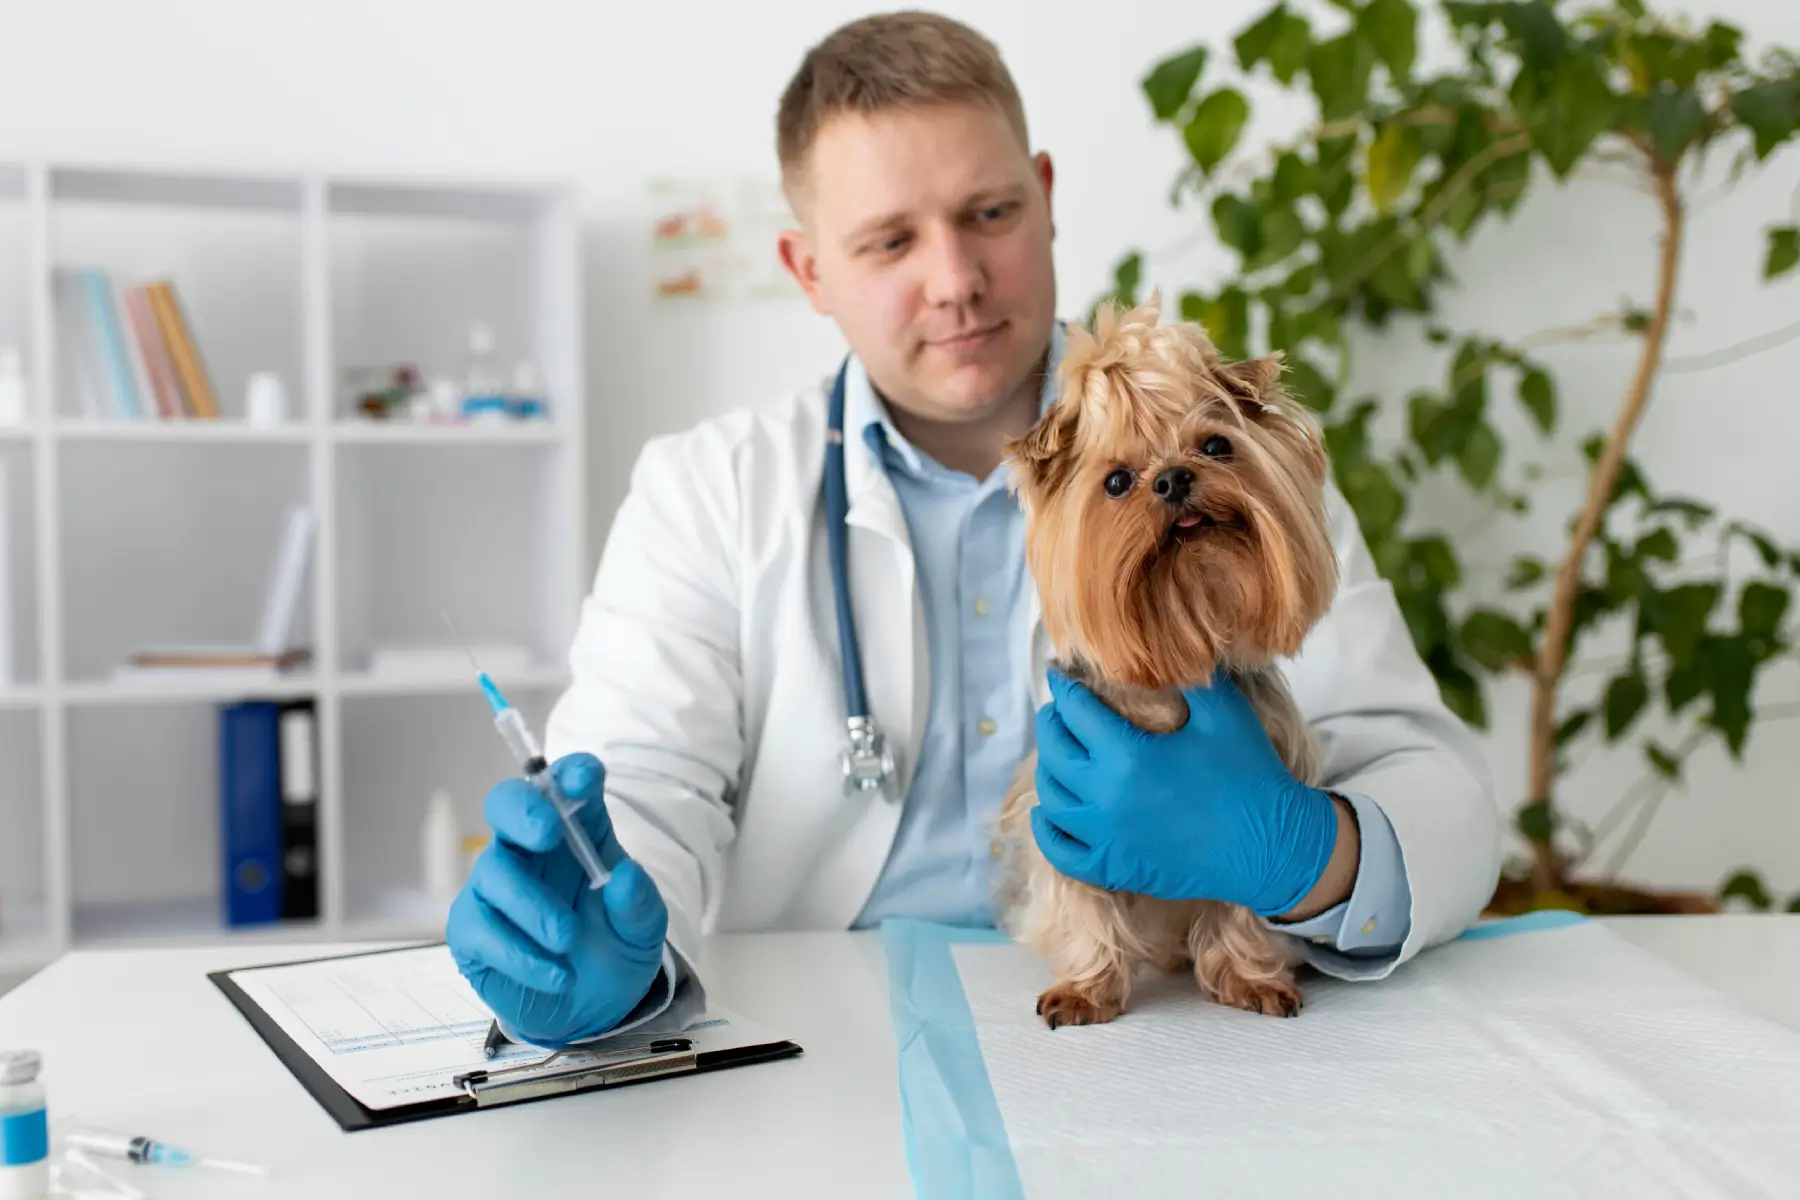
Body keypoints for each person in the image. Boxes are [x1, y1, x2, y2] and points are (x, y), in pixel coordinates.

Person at [444, 11, 1502, 1047]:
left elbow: (1443, 798)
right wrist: (597, 931)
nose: (954, 281)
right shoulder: (704, 495)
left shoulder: (1237, 470)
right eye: (890, 240)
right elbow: (638, 786)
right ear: (810, 269)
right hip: (826, 1051)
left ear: (1044, 199)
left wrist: (1305, 855)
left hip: (1184, 1041)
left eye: (989, 213)